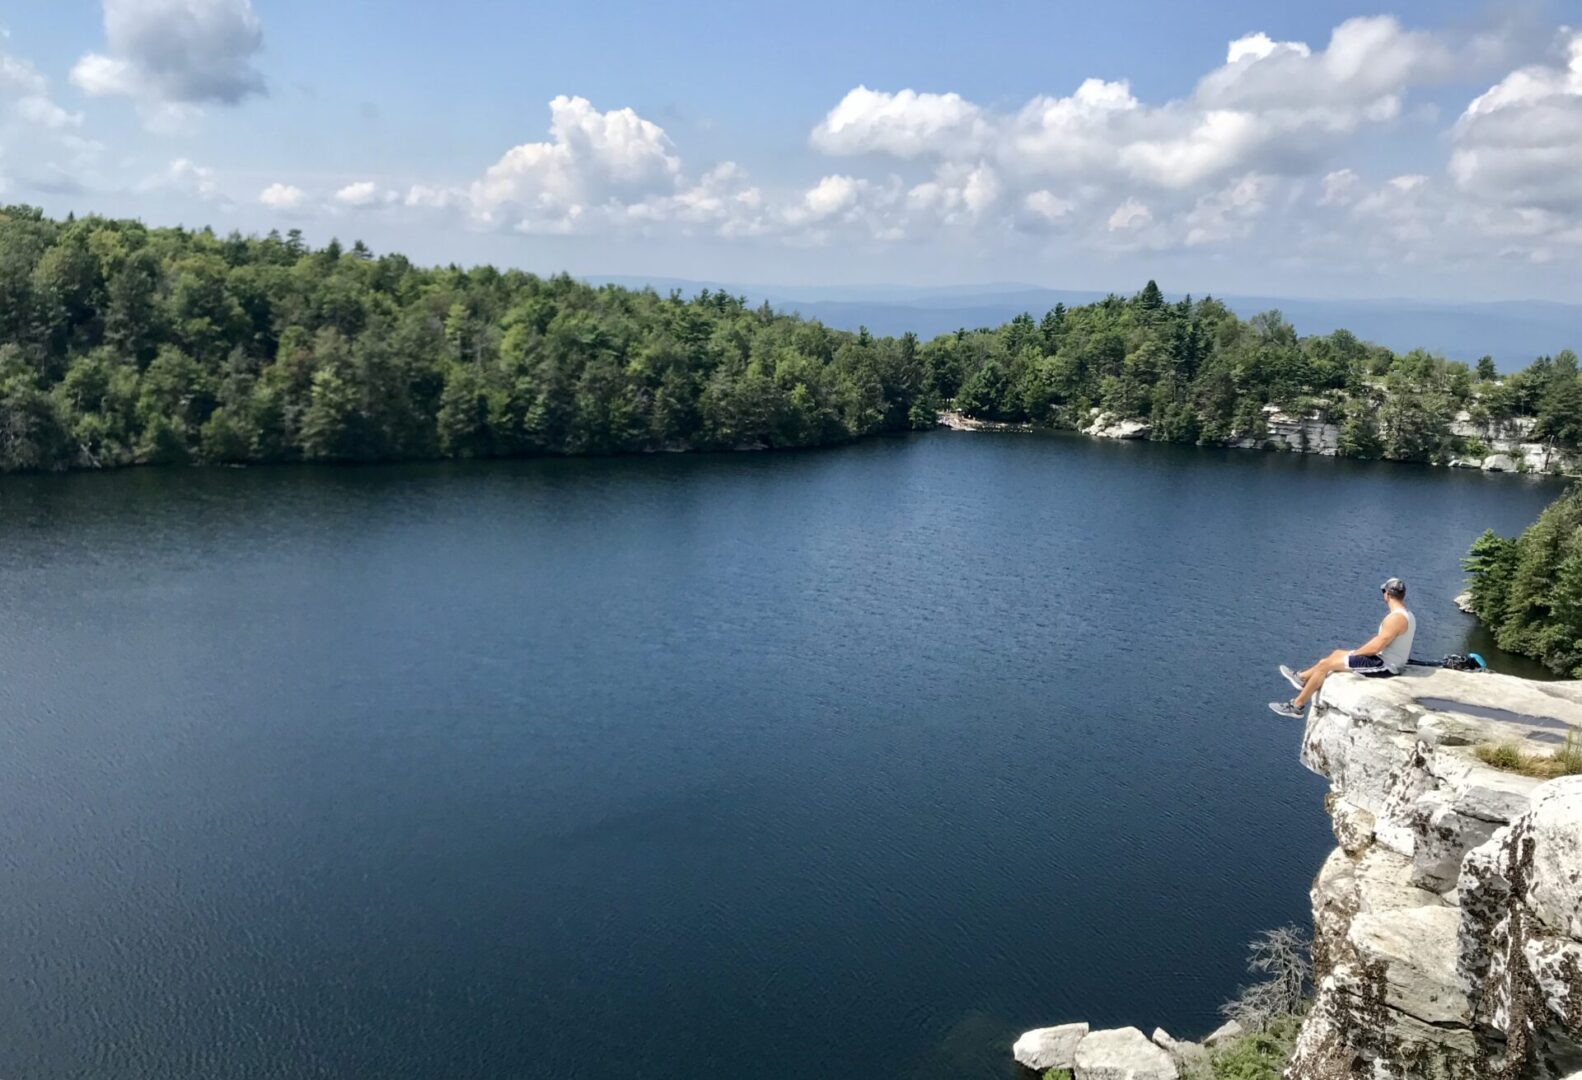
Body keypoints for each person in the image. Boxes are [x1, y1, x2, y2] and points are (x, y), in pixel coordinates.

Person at [1268, 578, 1416, 718]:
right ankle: (1301, 678)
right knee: (1336, 653)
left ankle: (1297, 706)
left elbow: (1376, 646)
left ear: (1387, 595)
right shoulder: (1408, 615)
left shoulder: (1396, 619)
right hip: (1386, 659)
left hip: (1385, 666)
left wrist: (1355, 655)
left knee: (1326, 665)